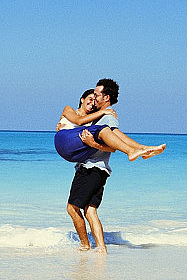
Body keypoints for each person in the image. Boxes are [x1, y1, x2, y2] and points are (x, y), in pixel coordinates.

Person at [56, 79, 166, 253]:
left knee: (72, 208)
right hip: (100, 170)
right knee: (90, 211)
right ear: (82, 99)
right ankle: (101, 248)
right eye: (90, 99)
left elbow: (111, 138)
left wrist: (94, 143)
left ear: (106, 97)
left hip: (91, 168)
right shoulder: (87, 118)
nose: (93, 101)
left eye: (96, 97)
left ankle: (85, 245)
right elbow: (78, 122)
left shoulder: (106, 116)